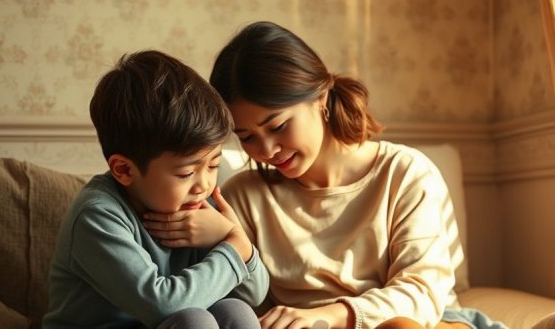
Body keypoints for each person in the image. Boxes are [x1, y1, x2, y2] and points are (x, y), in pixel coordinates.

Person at [203, 21, 506, 329]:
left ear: (320, 98)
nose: (267, 150)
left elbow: (423, 294)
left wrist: (332, 314)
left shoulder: (404, 173)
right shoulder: (242, 196)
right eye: (247, 137)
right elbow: (242, 304)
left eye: (278, 126)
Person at [42, 50, 269, 329]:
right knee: (192, 320)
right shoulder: (96, 216)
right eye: (186, 173)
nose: (204, 185)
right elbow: (163, 305)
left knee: (235, 310)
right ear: (124, 170)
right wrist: (232, 251)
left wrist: (233, 238)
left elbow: (255, 294)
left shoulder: (194, 205)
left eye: (213, 166)